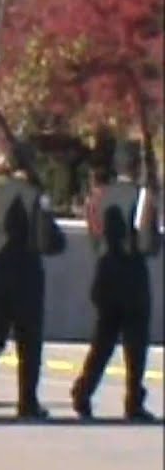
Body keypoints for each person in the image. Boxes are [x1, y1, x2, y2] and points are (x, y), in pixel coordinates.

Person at [0, 142, 65, 420]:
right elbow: (49, 241)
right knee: (29, 343)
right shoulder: (34, 196)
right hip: (26, 275)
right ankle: (27, 401)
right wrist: (45, 207)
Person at [72, 139, 159, 421]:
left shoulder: (99, 196)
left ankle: (83, 391)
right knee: (135, 347)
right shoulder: (141, 196)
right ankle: (133, 401)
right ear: (137, 166)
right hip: (133, 279)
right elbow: (147, 244)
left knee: (102, 342)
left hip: (105, 276)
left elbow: (94, 236)